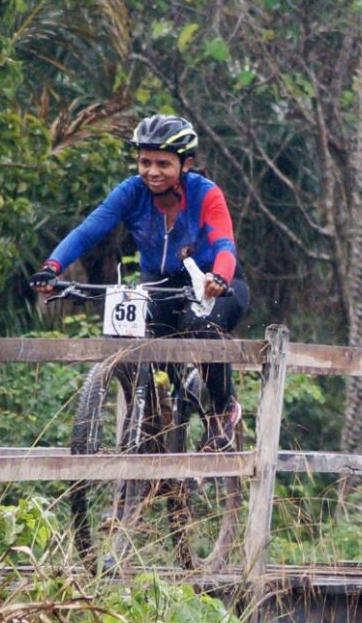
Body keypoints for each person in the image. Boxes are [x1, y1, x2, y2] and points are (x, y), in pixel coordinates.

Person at [29, 114, 251, 449]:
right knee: (137, 332)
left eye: (163, 164)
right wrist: (52, 267)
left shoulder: (206, 194)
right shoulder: (131, 192)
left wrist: (219, 276)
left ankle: (223, 409)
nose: (152, 172)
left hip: (214, 283)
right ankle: (158, 404)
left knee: (198, 325)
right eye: (145, 162)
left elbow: (224, 245)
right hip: (160, 282)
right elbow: (88, 231)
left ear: (186, 164)